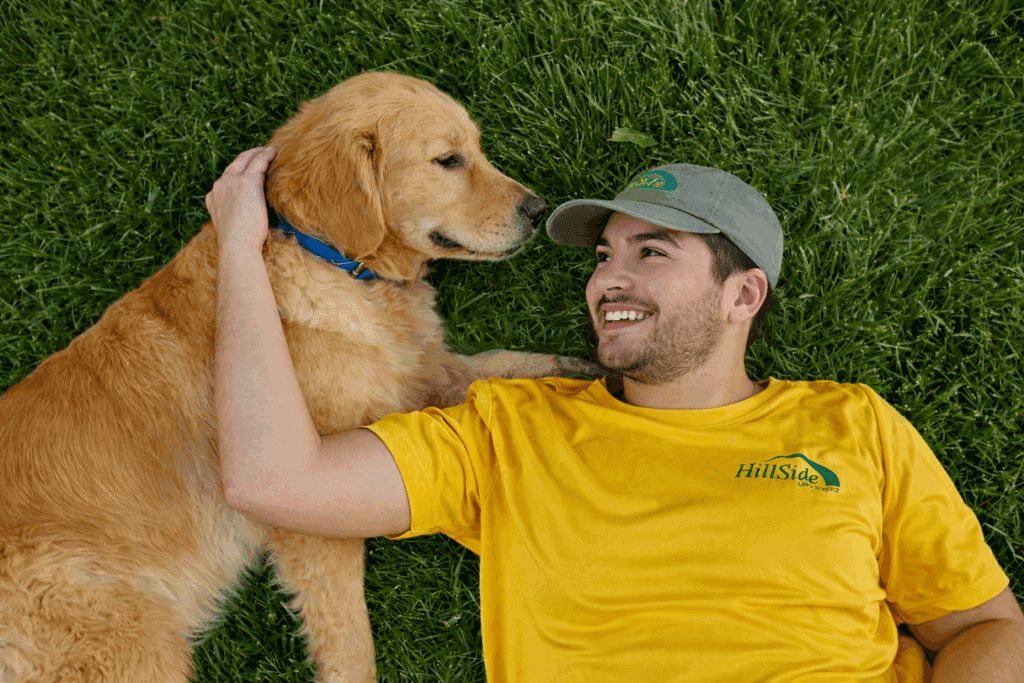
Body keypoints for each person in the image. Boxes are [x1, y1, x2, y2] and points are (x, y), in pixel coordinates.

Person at [208, 145, 1024, 682]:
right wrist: (239, 253)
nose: (605, 280)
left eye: (650, 253)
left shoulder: (854, 426)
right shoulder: (510, 430)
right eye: (604, 256)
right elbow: (273, 479)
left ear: (742, 294)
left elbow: (985, 627)